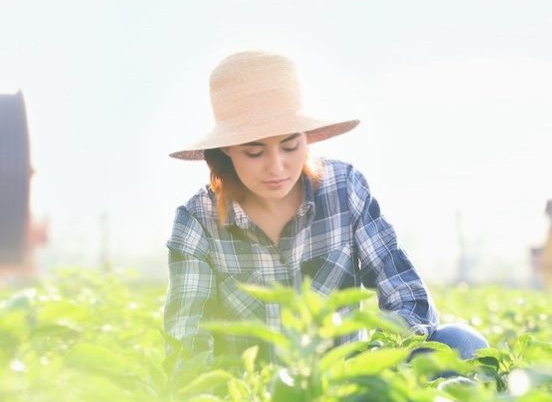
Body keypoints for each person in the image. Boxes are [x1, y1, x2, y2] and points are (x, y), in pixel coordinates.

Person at [163, 50, 487, 367]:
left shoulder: (343, 188)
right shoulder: (198, 221)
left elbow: (404, 291)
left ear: (306, 139)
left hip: (347, 382)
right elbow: (186, 339)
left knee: (461, 344)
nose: (277, 167)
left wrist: (376, 360)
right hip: (260, 400)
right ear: (226, 152)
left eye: (290, 146)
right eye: (254, 152)